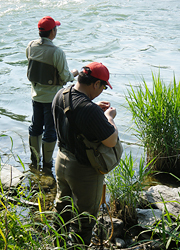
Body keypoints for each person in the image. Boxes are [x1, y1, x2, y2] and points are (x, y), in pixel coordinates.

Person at [52, 62, 119, 248]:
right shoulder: (88, 110)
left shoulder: (61, 94)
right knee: (85, 219)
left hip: (61, 160)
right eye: (104, 86)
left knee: (62, 209)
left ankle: (58, 244)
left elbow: (72, 117)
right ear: (95, 84)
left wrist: (94, 107)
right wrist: (109, 117)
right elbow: (111, 140)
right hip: (83, 171)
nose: (103, 90)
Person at [26, 16, 78, 167]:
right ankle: (47, 164)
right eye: (56, 28)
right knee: (50, 130)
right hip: (52, 99)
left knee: (35, 126)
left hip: (36, 95)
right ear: (52, 32)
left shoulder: (30, 46)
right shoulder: (57, 52)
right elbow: (64, 76)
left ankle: (35, 161)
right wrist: (73, 73)